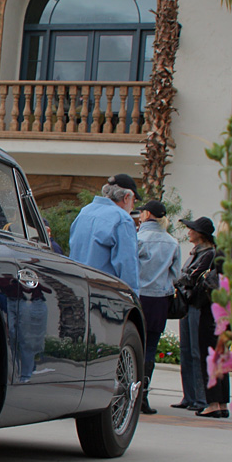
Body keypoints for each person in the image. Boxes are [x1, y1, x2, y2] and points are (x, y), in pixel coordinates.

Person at [136, 199, 181, 414]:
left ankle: (129, 392)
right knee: (150, 349)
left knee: (131, 343)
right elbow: (176, 275)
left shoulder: (138, 238)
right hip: (160, 300)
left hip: (138, 295)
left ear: (147, 215)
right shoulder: (172, 242)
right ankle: (143, 396)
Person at [196, 219, 232, 419]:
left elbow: (214, 282)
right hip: (230, 312)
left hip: (215, 312)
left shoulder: (219, 254)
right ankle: (222, 402)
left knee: (211, 356)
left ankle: (212, 403)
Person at [171, 216, 216, 412]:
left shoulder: (209, 254)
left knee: (197, 352)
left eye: (192, 229)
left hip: (198, 304)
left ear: (201, 233)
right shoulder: (196, 252)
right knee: (186, 351)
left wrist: (179, 279)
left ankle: (200, 397)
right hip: (188, 303)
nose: (188, 231)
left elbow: (191, 277)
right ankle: (189, 396)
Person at [68, 173, 140, 295]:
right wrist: (133, 296)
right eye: (134, 200)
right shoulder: (122, 219)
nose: (133, 206)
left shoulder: (85, 211)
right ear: (126, 197)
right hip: (105, 292)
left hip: (77, 286)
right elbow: (127, 265)